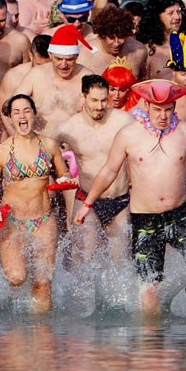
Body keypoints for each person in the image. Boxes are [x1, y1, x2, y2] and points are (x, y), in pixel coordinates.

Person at [74, 80, 186, 317]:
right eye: (158, 110)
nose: (163, 116)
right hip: (145, 221)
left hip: (179, 216)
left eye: (168, 110)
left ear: (174, 107)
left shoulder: (185, 132)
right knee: (149, 299)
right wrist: (87, 204)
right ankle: (154, 346)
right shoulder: (128, 135)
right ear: (147, 106)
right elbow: (109, 171)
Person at [0, 94, 74, 313]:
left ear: (34, 114)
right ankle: (8, 305)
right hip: (12, 221)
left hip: (44, 220)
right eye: (16, 112)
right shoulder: (2, 151)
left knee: (43, 282)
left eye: (26, 111)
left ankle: (40, 336)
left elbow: (64, 174)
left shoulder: (50, 145)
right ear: (10, 119)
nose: (22, 116)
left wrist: (64, 181)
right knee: (17, 277)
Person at [55, 74, 134, 262]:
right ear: (82, 98)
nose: (99, 106)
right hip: (85, 199)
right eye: (94, 100)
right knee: (84, 259)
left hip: (120, 200)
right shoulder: (68, 128)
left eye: (103, 100)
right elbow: (44, 151)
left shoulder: (123, 121)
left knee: (120, 262)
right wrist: (62, 173)